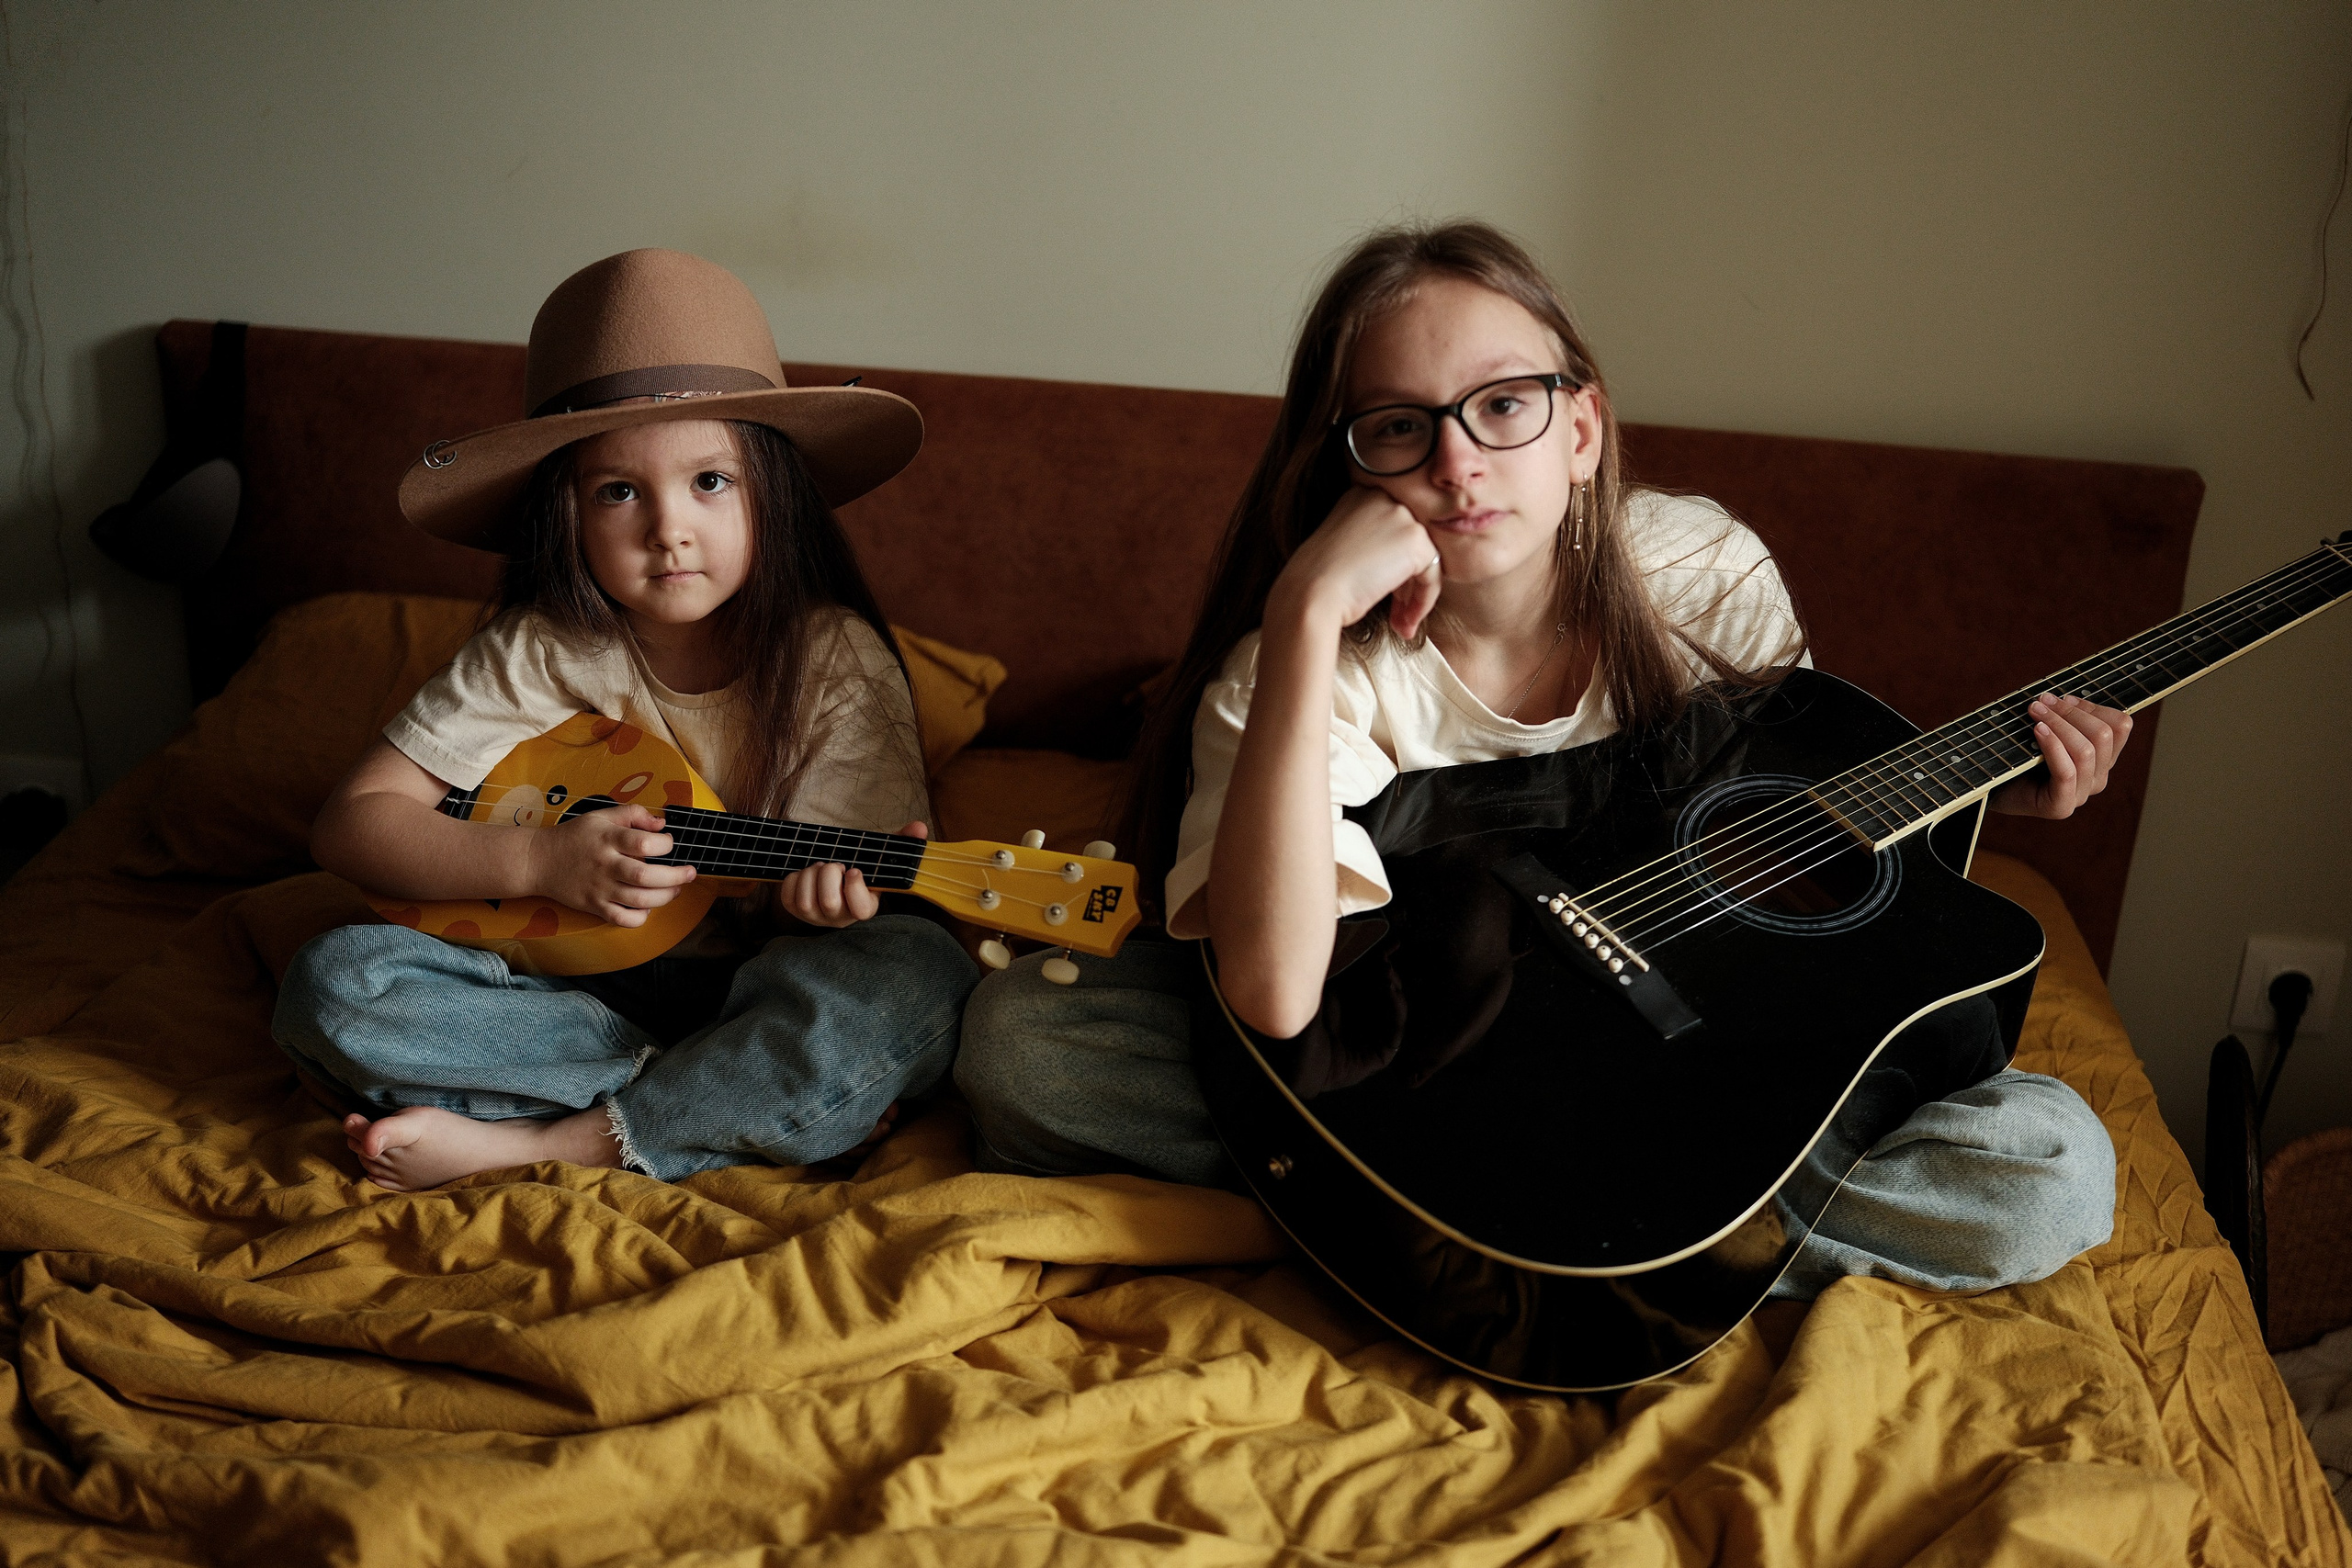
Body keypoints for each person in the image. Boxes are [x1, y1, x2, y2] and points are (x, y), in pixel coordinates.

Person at [956, 220, 2121, 1305]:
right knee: (1026, 1046)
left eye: (1502, 405)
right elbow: (1272, 993)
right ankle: (1623, 1221)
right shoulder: (1305, 666)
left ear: (1580, 429)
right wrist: (1307, 609)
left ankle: (1454, 1214)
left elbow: (1779, 849)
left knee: (2050, 1170)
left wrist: (1974, 795)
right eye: (1403, 426)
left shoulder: (1698, 567)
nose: (1458, 463)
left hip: (1679, 1047)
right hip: (1413, 1058)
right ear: (1347, 462)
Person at [275, 249, 977, 1191]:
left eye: (711, 482)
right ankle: (729, 1106)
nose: (668, 528)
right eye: (618, 491)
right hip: (561, 997)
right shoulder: (543, 648)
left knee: (914, 976)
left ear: (774, 492)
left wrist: (823, 906)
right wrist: (539, 862)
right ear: (564, 514)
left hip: (759, 986)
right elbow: (353, 822)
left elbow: (851, 889)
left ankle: (543, 1144)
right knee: (341, 985)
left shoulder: (833, 659)